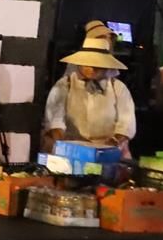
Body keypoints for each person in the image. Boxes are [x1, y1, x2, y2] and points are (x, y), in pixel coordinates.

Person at [41, 22, 137, 155]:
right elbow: (55, 121)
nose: (92, 68)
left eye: (97, 65)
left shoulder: (118, 89)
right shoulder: (65, 85)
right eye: (87, 63)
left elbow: (126, 124)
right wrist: (69, 148)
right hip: (71, 150)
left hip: (108, 151)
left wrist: (110, 145)